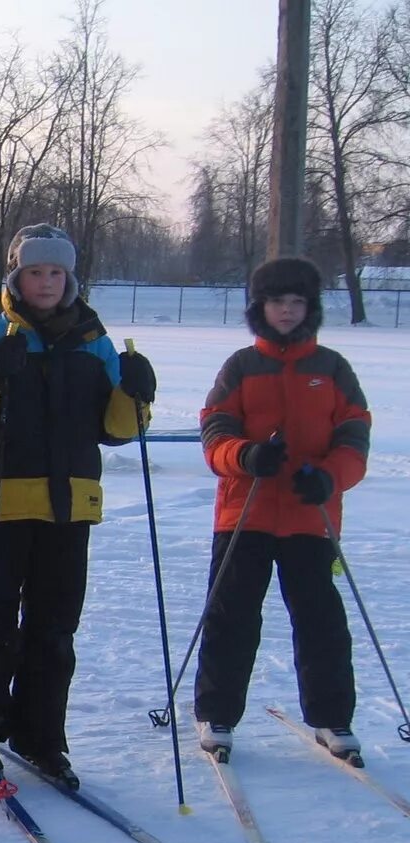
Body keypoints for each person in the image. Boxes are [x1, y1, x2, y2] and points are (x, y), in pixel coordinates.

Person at [0, 223, 155, 788]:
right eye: (35, 272)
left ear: (70, 278)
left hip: (69, 506)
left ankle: (42, 735)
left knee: (55, 628)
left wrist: (136, 393)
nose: (45, 282)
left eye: (55, 272)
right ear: (17, 277)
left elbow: (117, 429)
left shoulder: (94, 343)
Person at [193, 256, 371, 761]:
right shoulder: (241, 367)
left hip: (310, 516)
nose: (287, 312)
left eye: (297, 303)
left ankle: (333, 718)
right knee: (231, 617)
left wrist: (330, 477)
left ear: (310, 308)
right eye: (277, 302)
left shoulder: (333, 368)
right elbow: (215, 434)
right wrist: (247, 455)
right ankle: (217, 712)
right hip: (244, 513)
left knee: (321, 620)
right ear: (260, 307)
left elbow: (355, 436)